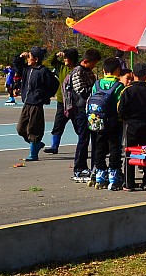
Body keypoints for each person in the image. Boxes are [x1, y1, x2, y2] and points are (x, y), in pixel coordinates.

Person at [118, 62, 146, 190]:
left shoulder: (128, 91)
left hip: (132, 124)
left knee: (129, 153)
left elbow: (121, 109)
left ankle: (129, 182)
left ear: (133, 75)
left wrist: (126, 118)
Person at [87, 57, 125, 190]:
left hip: (98, 120)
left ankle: (100, 173)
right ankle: (114, 174)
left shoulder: (97, 84)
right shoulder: (119, 86)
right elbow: (120, 105)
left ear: (104, 70)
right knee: (114, 147)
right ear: (118, 70)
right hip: (114, 121)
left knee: (100, 146)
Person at [15, 48, 58, 161]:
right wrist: (20, 57)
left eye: (29, 57)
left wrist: (44, 96)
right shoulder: (27, 69)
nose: (28, 59)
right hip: (27, 102)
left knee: (34, 129)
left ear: (36, 59)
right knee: (21, 128)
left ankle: (33, 153)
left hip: (36, 104)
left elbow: (54, 84)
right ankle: (36, 144)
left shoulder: (43, 71)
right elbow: (17, 66)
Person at [67, 48, 101, 182]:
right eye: (93, 63)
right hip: (81, 109)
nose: (94, 66)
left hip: (91, 109)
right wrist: (95, 89)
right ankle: (79, 167)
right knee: (83, 138)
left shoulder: (89, 72)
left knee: (94, 138)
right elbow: (81, 91)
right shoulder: (77, 72)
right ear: (86, 61)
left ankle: (94, 166)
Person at [47, 48, 79, 155]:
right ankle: (54, 146)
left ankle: (82, 144)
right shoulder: (61, 68)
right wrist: (56, 54)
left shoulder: (78, 70)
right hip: (62, 102)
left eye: (67, 58)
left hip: (75, 103)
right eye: (64, 57)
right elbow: (50, 61)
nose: (64, 59)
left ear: (72, 59)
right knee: (58, 124)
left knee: (78, 126)